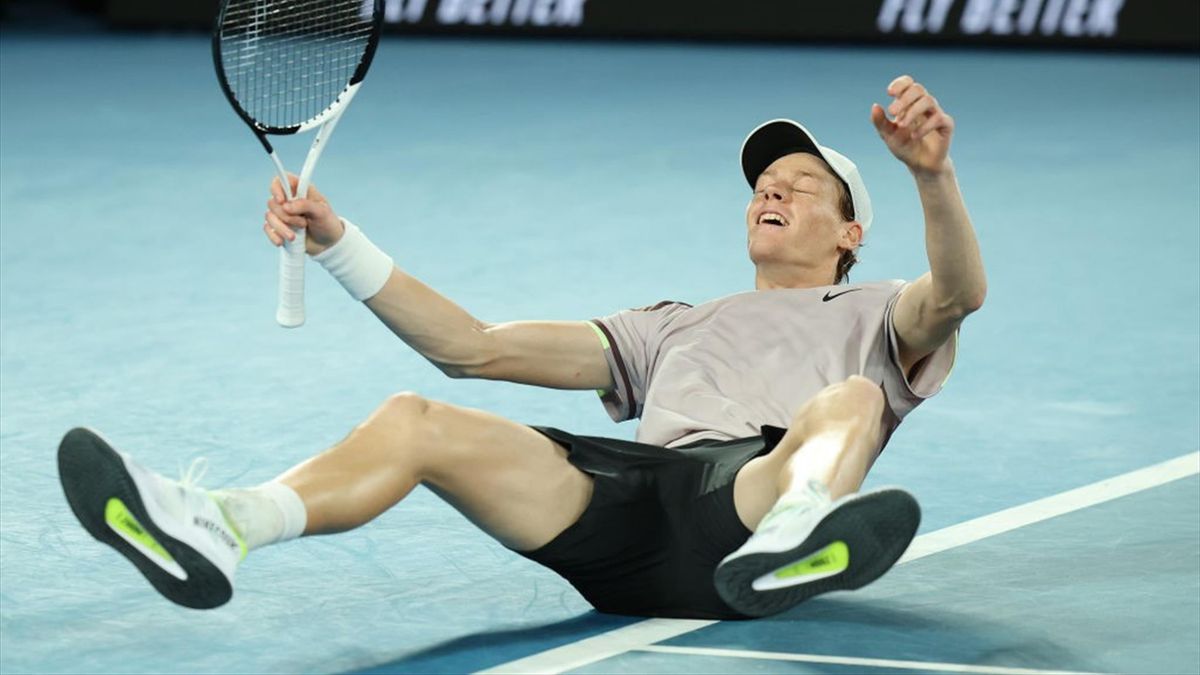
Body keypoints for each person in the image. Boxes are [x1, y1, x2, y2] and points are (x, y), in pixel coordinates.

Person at [58, 75, 985, 620]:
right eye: (761, 184)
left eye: (800, 185)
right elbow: (472, 346)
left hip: (741, 497)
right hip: (626, 513)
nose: (770, 193)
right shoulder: (668, 325)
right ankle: (226, 524)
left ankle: (798, 533)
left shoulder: (876, 307)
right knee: (416, 419)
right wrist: (337, 241)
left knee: (853, 402)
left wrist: (931, 177)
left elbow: (958, 293)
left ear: (852, 230)